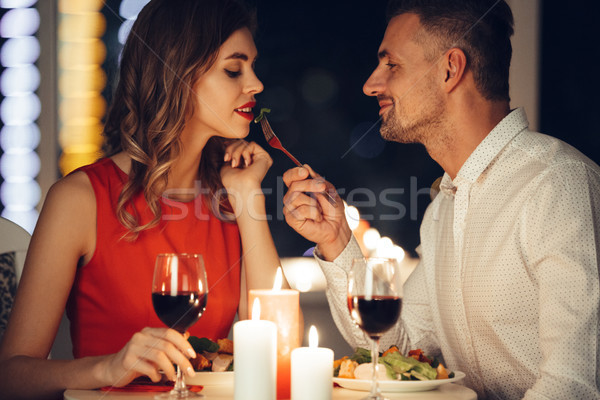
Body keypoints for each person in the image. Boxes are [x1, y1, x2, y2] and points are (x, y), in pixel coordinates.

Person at [282, 1, 600, 399]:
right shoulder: (441, 210)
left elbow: (574, 385)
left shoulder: (557, 184)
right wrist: (336, 241)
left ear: (450, 69)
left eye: (391, 65)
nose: (371, 84)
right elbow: (396, 347)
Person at [0, 0, 282, 398]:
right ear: (177, 76)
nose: (255, 84)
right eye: (234, 69)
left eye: (252, 66)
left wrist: (248, 194)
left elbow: (276, 347)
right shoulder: (79, 199)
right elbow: (10, 377)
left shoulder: (229, 196)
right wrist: (109, 368)